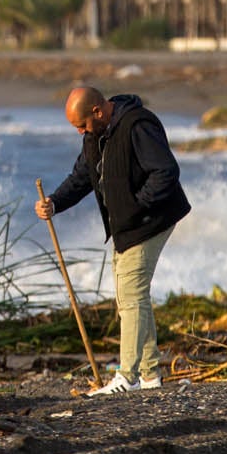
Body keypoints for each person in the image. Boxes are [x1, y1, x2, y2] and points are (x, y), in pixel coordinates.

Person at [34, 84, 191, 396]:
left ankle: (128, 376)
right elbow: (82, 177)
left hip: (152, 220)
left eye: (81, 125)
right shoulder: (95, 136)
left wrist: (136, 205)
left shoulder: (138, 125)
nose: (80, 132)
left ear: (97, 110)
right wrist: (54, 202)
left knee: (131, 294)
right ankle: (148, 375)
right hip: (126, 226)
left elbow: (166, 171)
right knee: (130, 297)